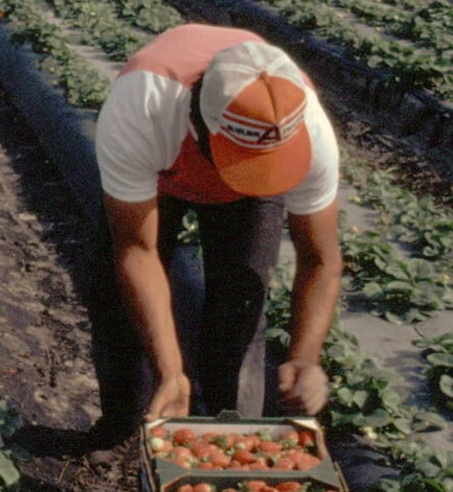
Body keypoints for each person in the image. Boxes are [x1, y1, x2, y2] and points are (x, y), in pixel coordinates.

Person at [97, 26, 343, 420]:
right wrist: (172, 371)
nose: (252, 176)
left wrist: (305, 358)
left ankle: (232, 428)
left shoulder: (308, 131)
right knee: (120, 300)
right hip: (164, 171)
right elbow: (137, 250)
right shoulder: (142, 106)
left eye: (266, 166)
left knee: (241, 303)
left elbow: (321, 258)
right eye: (242, 164)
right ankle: (119, 424)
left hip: (227, 159)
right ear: (202, 127)